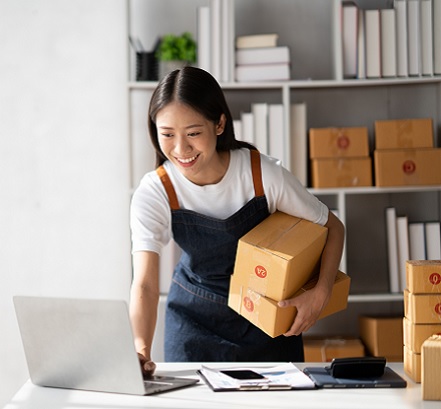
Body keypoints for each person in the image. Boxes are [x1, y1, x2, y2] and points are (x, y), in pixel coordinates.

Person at [129, 66, 345, 376]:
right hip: (193, 321)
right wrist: (140, 349)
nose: (180, 149)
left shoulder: (261, 175)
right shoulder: (156, 190)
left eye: (193, 133)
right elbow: (146, 284)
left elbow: (332, 227)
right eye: (167, 135)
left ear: (219, 123)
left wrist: (320, 294)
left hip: (267, 322)